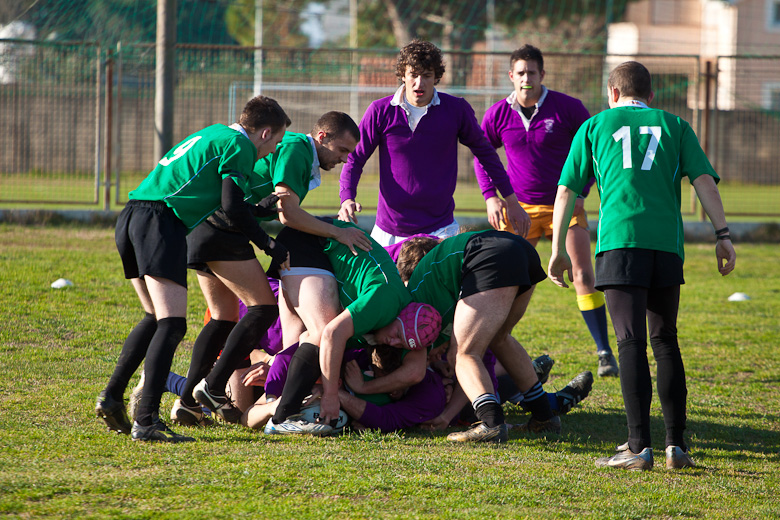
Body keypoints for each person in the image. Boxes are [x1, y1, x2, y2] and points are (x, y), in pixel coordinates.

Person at [548, 61, 736, 470]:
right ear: (651, 96)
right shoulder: (675, 125)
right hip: (666, 245)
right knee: (665, 340)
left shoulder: (595, 126)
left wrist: (557, 248)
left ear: (612, 94)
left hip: (620, 244)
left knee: (630, 342)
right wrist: (722, 235)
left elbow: (566, 191)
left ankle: (637, 446)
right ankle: (676, 446)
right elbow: (703, 179)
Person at [95, 95, 291, 443]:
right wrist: (267, 243)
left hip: (132, 215)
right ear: (264, 133)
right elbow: (230, 206)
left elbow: (220, 196)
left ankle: (111, 397)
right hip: (160, 222)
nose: (273, 150)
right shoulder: (239, 146)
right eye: (275, 141)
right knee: (172, 324)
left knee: (154, 318)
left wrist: (257, 210)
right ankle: (147, 421)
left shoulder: (215, 133)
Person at [180, 112, 367, 425]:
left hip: (208, 224)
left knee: (223, 320)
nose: (344, 160)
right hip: (223, 228)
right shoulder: (299, 149)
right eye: (343, 150)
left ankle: (186, 400)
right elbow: (288, 213)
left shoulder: (294, 149)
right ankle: (210, 387)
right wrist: (338, 231)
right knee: (262, 309)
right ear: (322, 137)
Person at [475, 44, 617, 377]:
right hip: (519, 210)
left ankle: (604, 353)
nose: (526, 78)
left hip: (564, 207)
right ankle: (494, 349)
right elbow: (483, 155)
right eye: (520, 73)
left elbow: (594, 152)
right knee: (505, 283)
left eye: (532, 72)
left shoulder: (568, 108)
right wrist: (490, 196)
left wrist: (581, 192)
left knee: (582, 275)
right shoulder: (497, 114)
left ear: (543, 75)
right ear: (512, 76)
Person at [338, 39, 530, 246]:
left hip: (441, 229)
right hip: (389, 230)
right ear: (403, 75)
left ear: (436, 77)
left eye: (427, 76)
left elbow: (486, 154)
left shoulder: (456, 110)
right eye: (413, 75)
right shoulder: (380, 111)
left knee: (443, 279)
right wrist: (347, 198)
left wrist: (510, 200)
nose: (419, 83)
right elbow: (355, 158)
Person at [373, 230, 560, 443]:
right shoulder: (423, 293)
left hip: (488, 254)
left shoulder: (416, 305)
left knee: (463, 353)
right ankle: (544, 418)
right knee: (499, 339)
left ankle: (491, 424)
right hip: (521, 249)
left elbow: (423, 364)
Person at [263, 218, 441, 435]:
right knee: (322, 333)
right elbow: (331, 334)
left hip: (318, 248)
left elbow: (415, 371)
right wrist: (330, 396)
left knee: (298, 344)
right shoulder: (384, 301)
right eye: (396, 334)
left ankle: (282, 410)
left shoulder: (400, 319)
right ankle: (281, 418)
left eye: (400, 343)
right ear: (399, 317)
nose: (393, 342)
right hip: (310, 242)